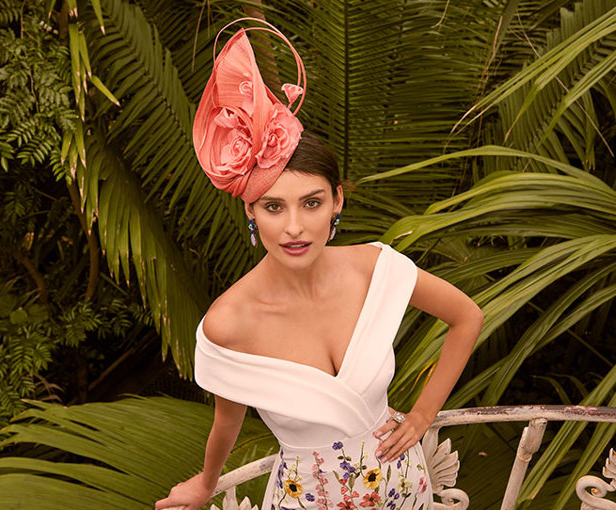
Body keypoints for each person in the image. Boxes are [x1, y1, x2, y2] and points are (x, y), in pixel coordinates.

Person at [154, 18, 482, 510]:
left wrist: (421, 416)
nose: (294, 227)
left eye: (311, 203)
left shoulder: (374, 267)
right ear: (250, 210)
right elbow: (227, 420)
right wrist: (205, 483)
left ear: (337, 202)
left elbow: (466, 317)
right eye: (273, 207)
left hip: (405, 484)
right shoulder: (229, 322)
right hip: (312, 498)